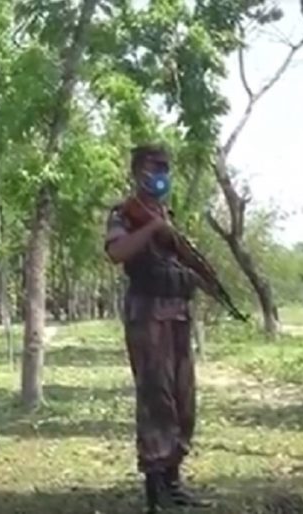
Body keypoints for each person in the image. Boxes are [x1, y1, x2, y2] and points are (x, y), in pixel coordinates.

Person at [103, 144, 210, 513]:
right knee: (155, 399)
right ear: (137, 172)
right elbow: (116, 253)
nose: (161, 174)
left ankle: (173, 479)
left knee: (184, 401)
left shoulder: (168, 215)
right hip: (147, 314)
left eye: (165, 167)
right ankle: (156, 488)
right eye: (154, 167)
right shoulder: (124, 214)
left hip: (177, 315)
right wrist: (152, 228)